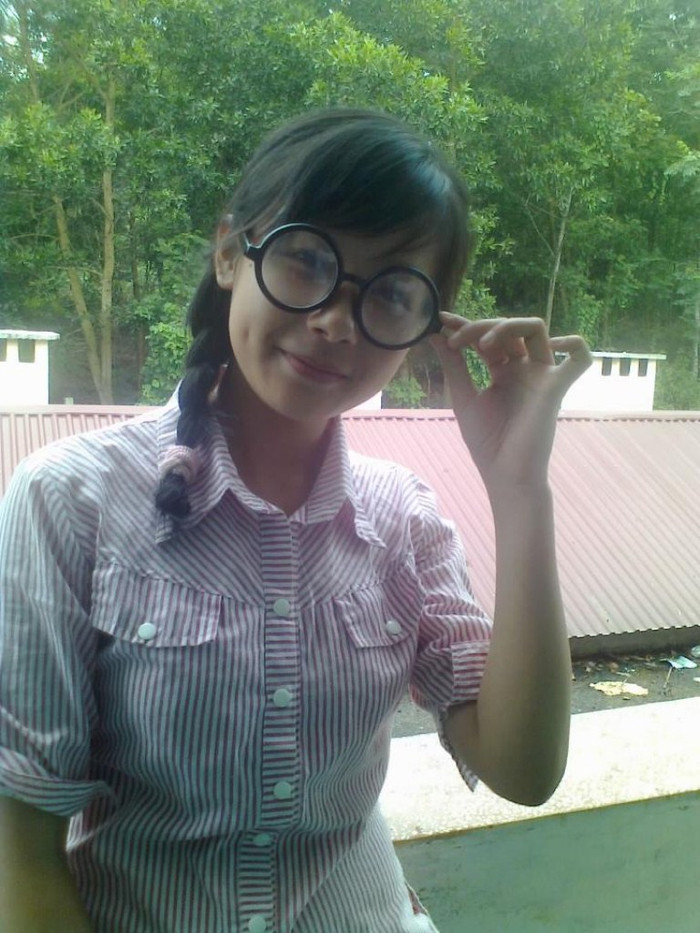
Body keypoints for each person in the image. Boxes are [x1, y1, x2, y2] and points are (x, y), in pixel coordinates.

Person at [0, 108, 591, 933]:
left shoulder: (403, 519)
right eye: (308, 260)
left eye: (391, 293)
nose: (336, 320)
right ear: (228, 252)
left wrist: (520, 487)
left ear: (426, 329)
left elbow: (523, 771)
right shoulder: (70, 501)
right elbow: (20, 848)